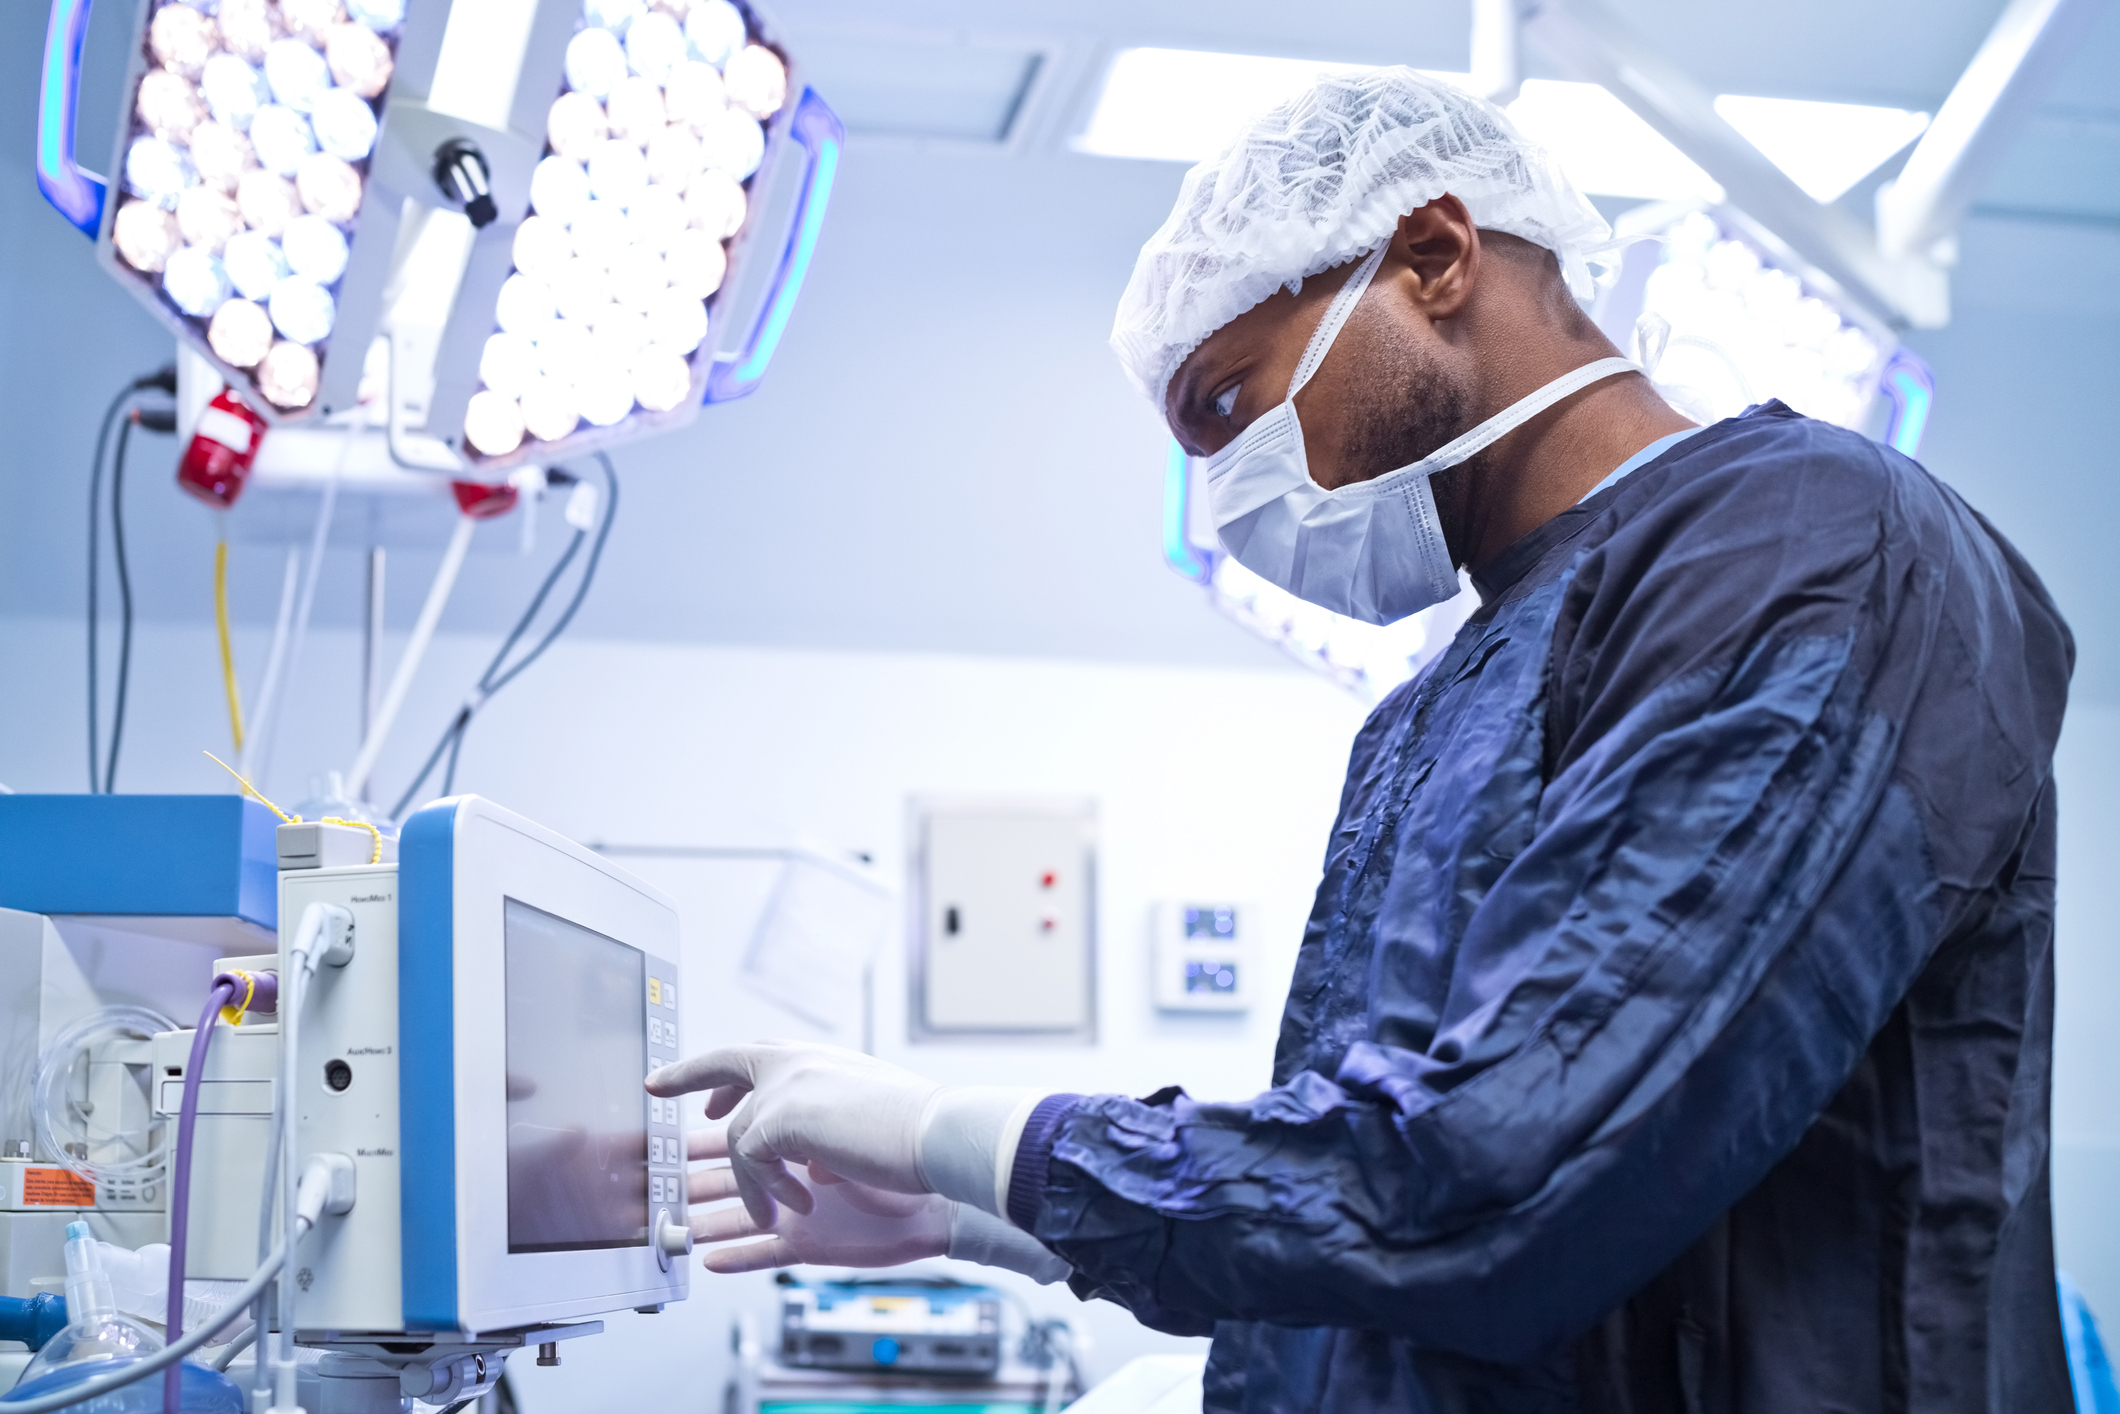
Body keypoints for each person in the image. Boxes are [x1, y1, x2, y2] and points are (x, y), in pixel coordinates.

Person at [648, 68, 2076, 1412]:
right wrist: (985, 1216)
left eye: (1229, 402)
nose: (1226, 496)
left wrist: (962, 1127)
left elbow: (1493, 1181)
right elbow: (1354, 1202)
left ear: (1436, 257)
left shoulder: (1807, 550)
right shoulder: (1435, 703)